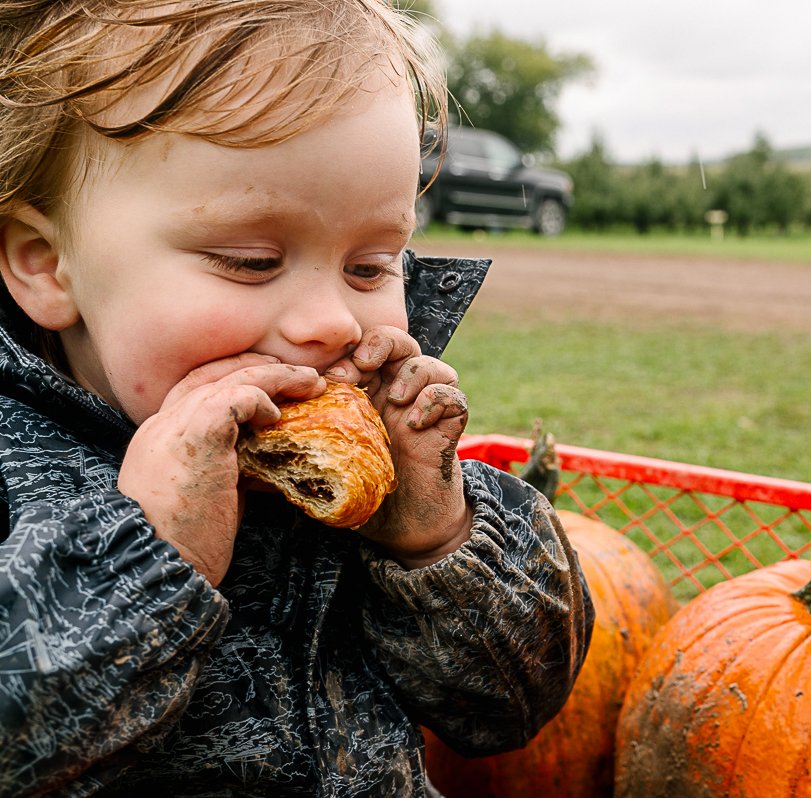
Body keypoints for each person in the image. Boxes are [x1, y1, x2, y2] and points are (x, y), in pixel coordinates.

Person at [0, 1, 594, 795]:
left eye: (372, 266)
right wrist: (151, 553)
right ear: (47, 265)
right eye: (250, 261)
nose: (330, 322)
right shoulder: (15, 471)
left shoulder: (384, 461)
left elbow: (511, 709)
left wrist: (435, 537)